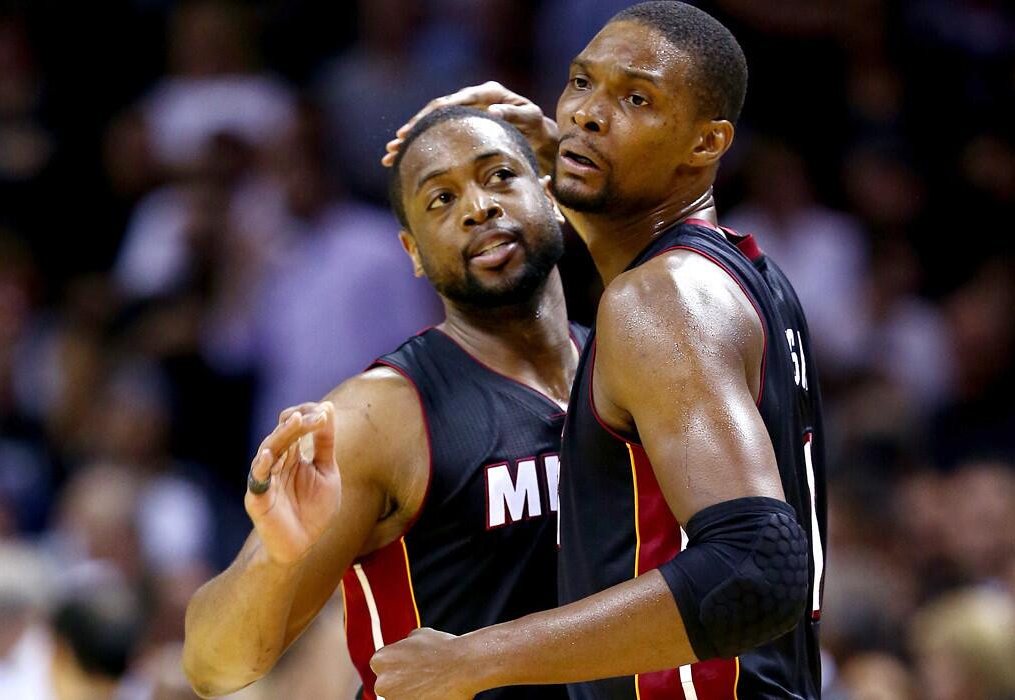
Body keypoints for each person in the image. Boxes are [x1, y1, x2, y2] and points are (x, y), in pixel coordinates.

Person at [374, 3, 826, 699]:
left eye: (635, 98)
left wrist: (472, 660)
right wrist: (554, 161)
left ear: (706, 145)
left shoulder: (660, 300)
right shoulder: (745, 274)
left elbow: (757, 568)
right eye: (582, 83)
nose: (587, 114)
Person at [182, 106, 582, 700]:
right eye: (440, 200)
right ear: (413, 253)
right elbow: (214, 667)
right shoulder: (380, 416)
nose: (478, 207)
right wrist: (276, 556)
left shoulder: (620, 366)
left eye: (499, 175)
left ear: (550, 196)